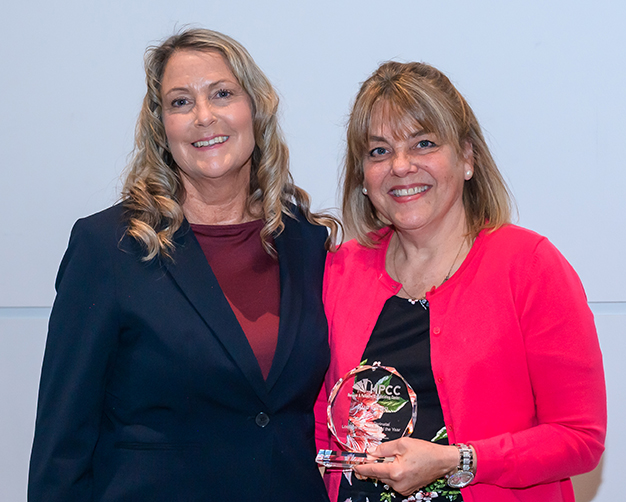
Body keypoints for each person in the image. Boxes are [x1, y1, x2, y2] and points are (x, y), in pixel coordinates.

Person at [29, 28, 337, 502]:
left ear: (255, 109)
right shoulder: (108, 248)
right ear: (161, 127)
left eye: (222, 94)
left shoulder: (306, 242)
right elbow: (62, 445)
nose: (204, 116)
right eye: (180, 102)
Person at [315, 61, 606, 502]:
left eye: (424, 143)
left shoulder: (529, 266)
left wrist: (460, 461)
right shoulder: (340, 271)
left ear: (467, 158)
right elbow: (320, 423)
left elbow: (579, 436)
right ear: (363, 177)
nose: (400, 166)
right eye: (379, 151)